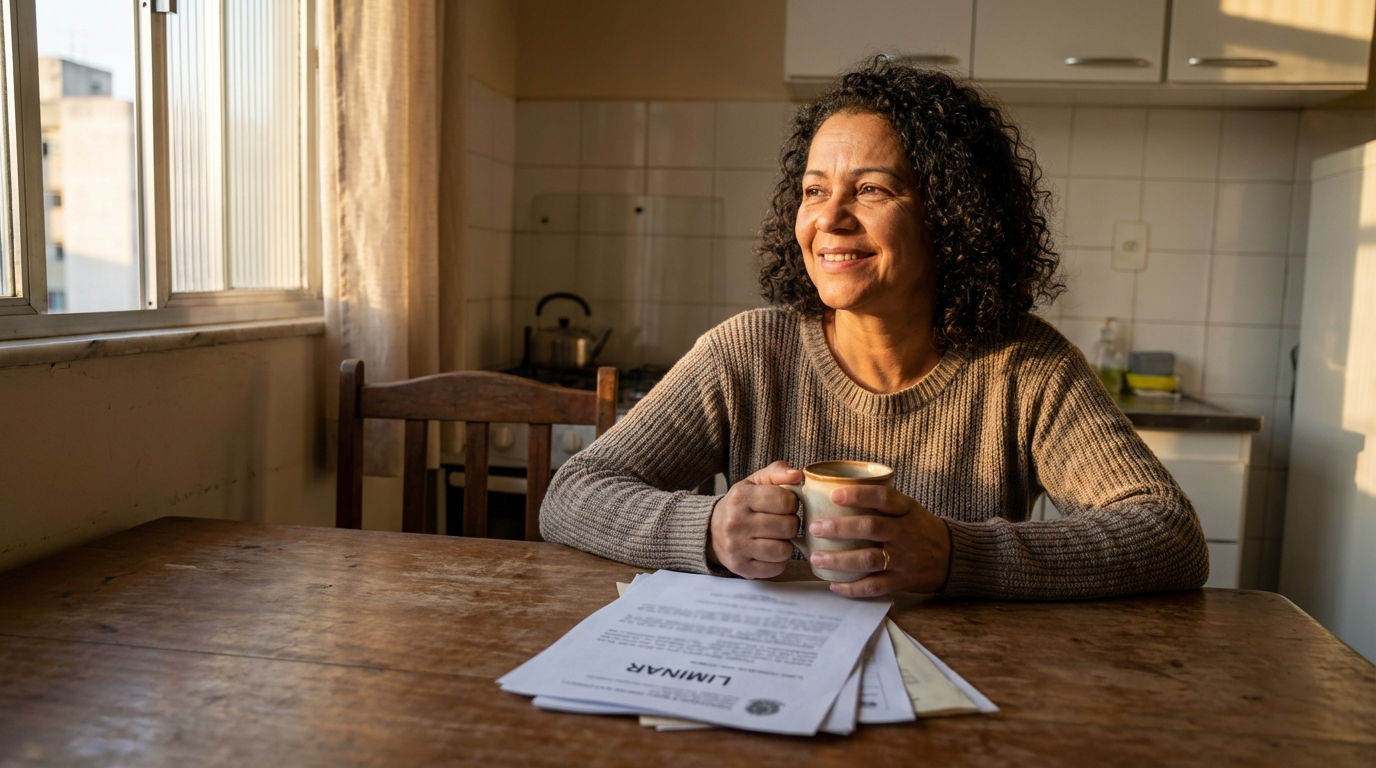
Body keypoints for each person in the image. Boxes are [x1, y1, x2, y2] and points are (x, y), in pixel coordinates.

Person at [540, 59, 1208, 600]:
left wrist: (956, 554)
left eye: (871, 190)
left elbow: (1170, 535)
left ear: (950, 217)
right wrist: (710, 527)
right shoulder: (746, 353)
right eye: (814, 190)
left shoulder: (1025, 366)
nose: (829, 219)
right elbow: (573, 493)